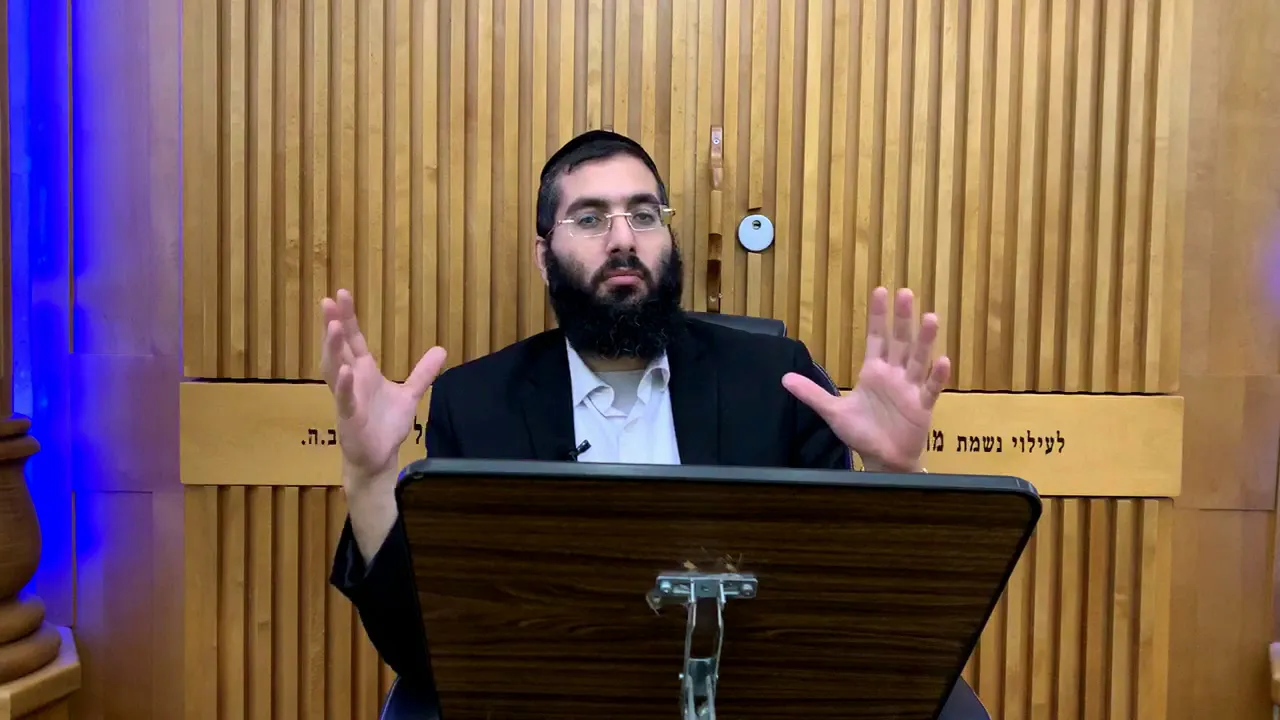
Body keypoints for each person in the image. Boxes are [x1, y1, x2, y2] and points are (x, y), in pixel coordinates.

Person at [322, 130, 962, 712]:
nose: (623, 238)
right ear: (544, 256)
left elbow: (860, 620)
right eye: (590, 218)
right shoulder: (478, 404)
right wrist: (370, 478)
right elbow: (427, 653)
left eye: (644, 214)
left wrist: (895, 472)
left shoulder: (774, 381)